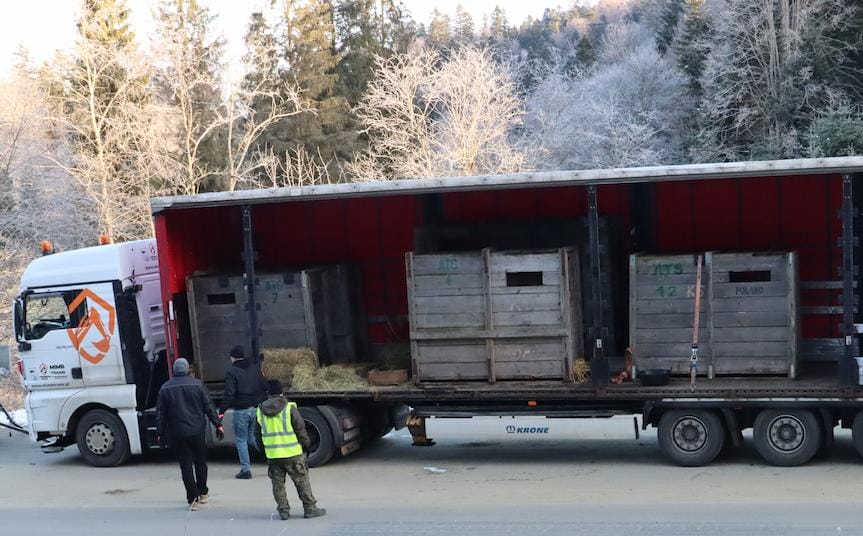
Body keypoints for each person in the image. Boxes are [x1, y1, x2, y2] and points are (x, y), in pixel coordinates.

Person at [157, 358, 224, 511]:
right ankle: (203, 492)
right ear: (187, 369)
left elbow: (161, 413)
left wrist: (160, 432)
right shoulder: (198, 385)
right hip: (197, 430)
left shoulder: (165, 388)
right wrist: (218, 424)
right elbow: (208, 406)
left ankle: (192, 499)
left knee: (186, 465)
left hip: (178, 432)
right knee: (200, 462)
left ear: (174, 370)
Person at [255, 379, 327, 520]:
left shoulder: (260, 411)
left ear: (268, 393)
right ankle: (310, 509)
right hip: (292, 453)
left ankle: (283, 511)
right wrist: (306, 445)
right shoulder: (289, 408)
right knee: (301, 482)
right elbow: (300, 429)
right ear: (281, 392)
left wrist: (264, 452)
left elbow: (257, 434)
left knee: (278, 484)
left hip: (273, 455)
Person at [219, 345, 268, 479]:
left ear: (233, 357)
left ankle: (246, 470)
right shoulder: (255, 368)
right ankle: (271, 462)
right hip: (255, 409)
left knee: (241, 441)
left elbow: (229, 394)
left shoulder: (232, 371)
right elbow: (265, 385)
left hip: (241, 410)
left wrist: (221, 411)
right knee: (253, 438)